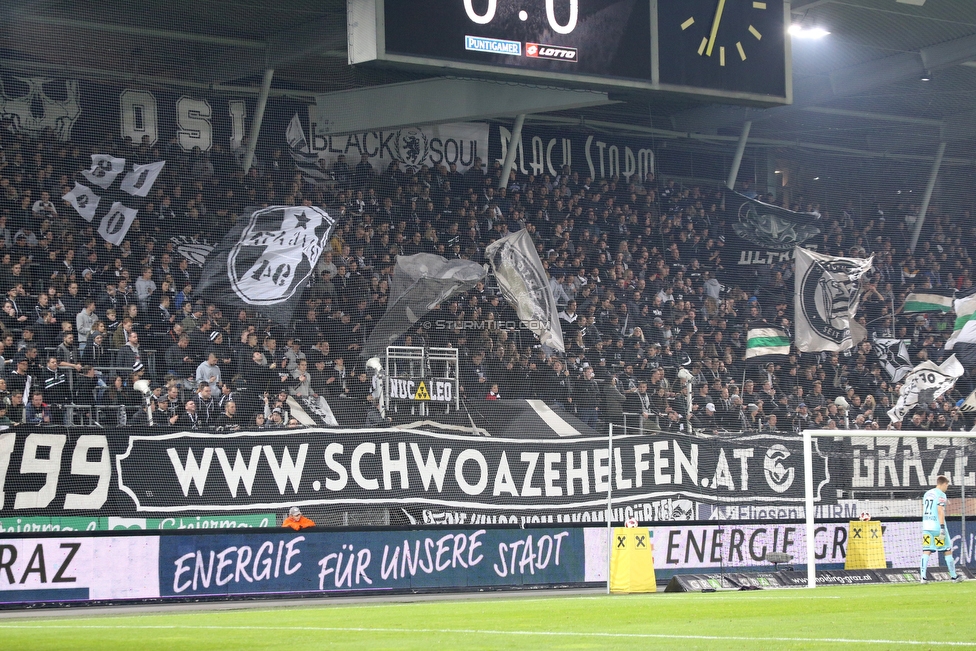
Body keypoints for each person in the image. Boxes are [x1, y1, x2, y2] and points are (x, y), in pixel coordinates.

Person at [920, 475, 961, 583]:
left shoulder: (927, 494)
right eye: (947, 485)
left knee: (926, 550)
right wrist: (942, 527)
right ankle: (953, 577)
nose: (947, 487)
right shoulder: (941, 494)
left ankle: (923, 577)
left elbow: (923, 509)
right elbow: (940, 510)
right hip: (938, 528)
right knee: (947, 550)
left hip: (927, 527)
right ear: (943, 484)